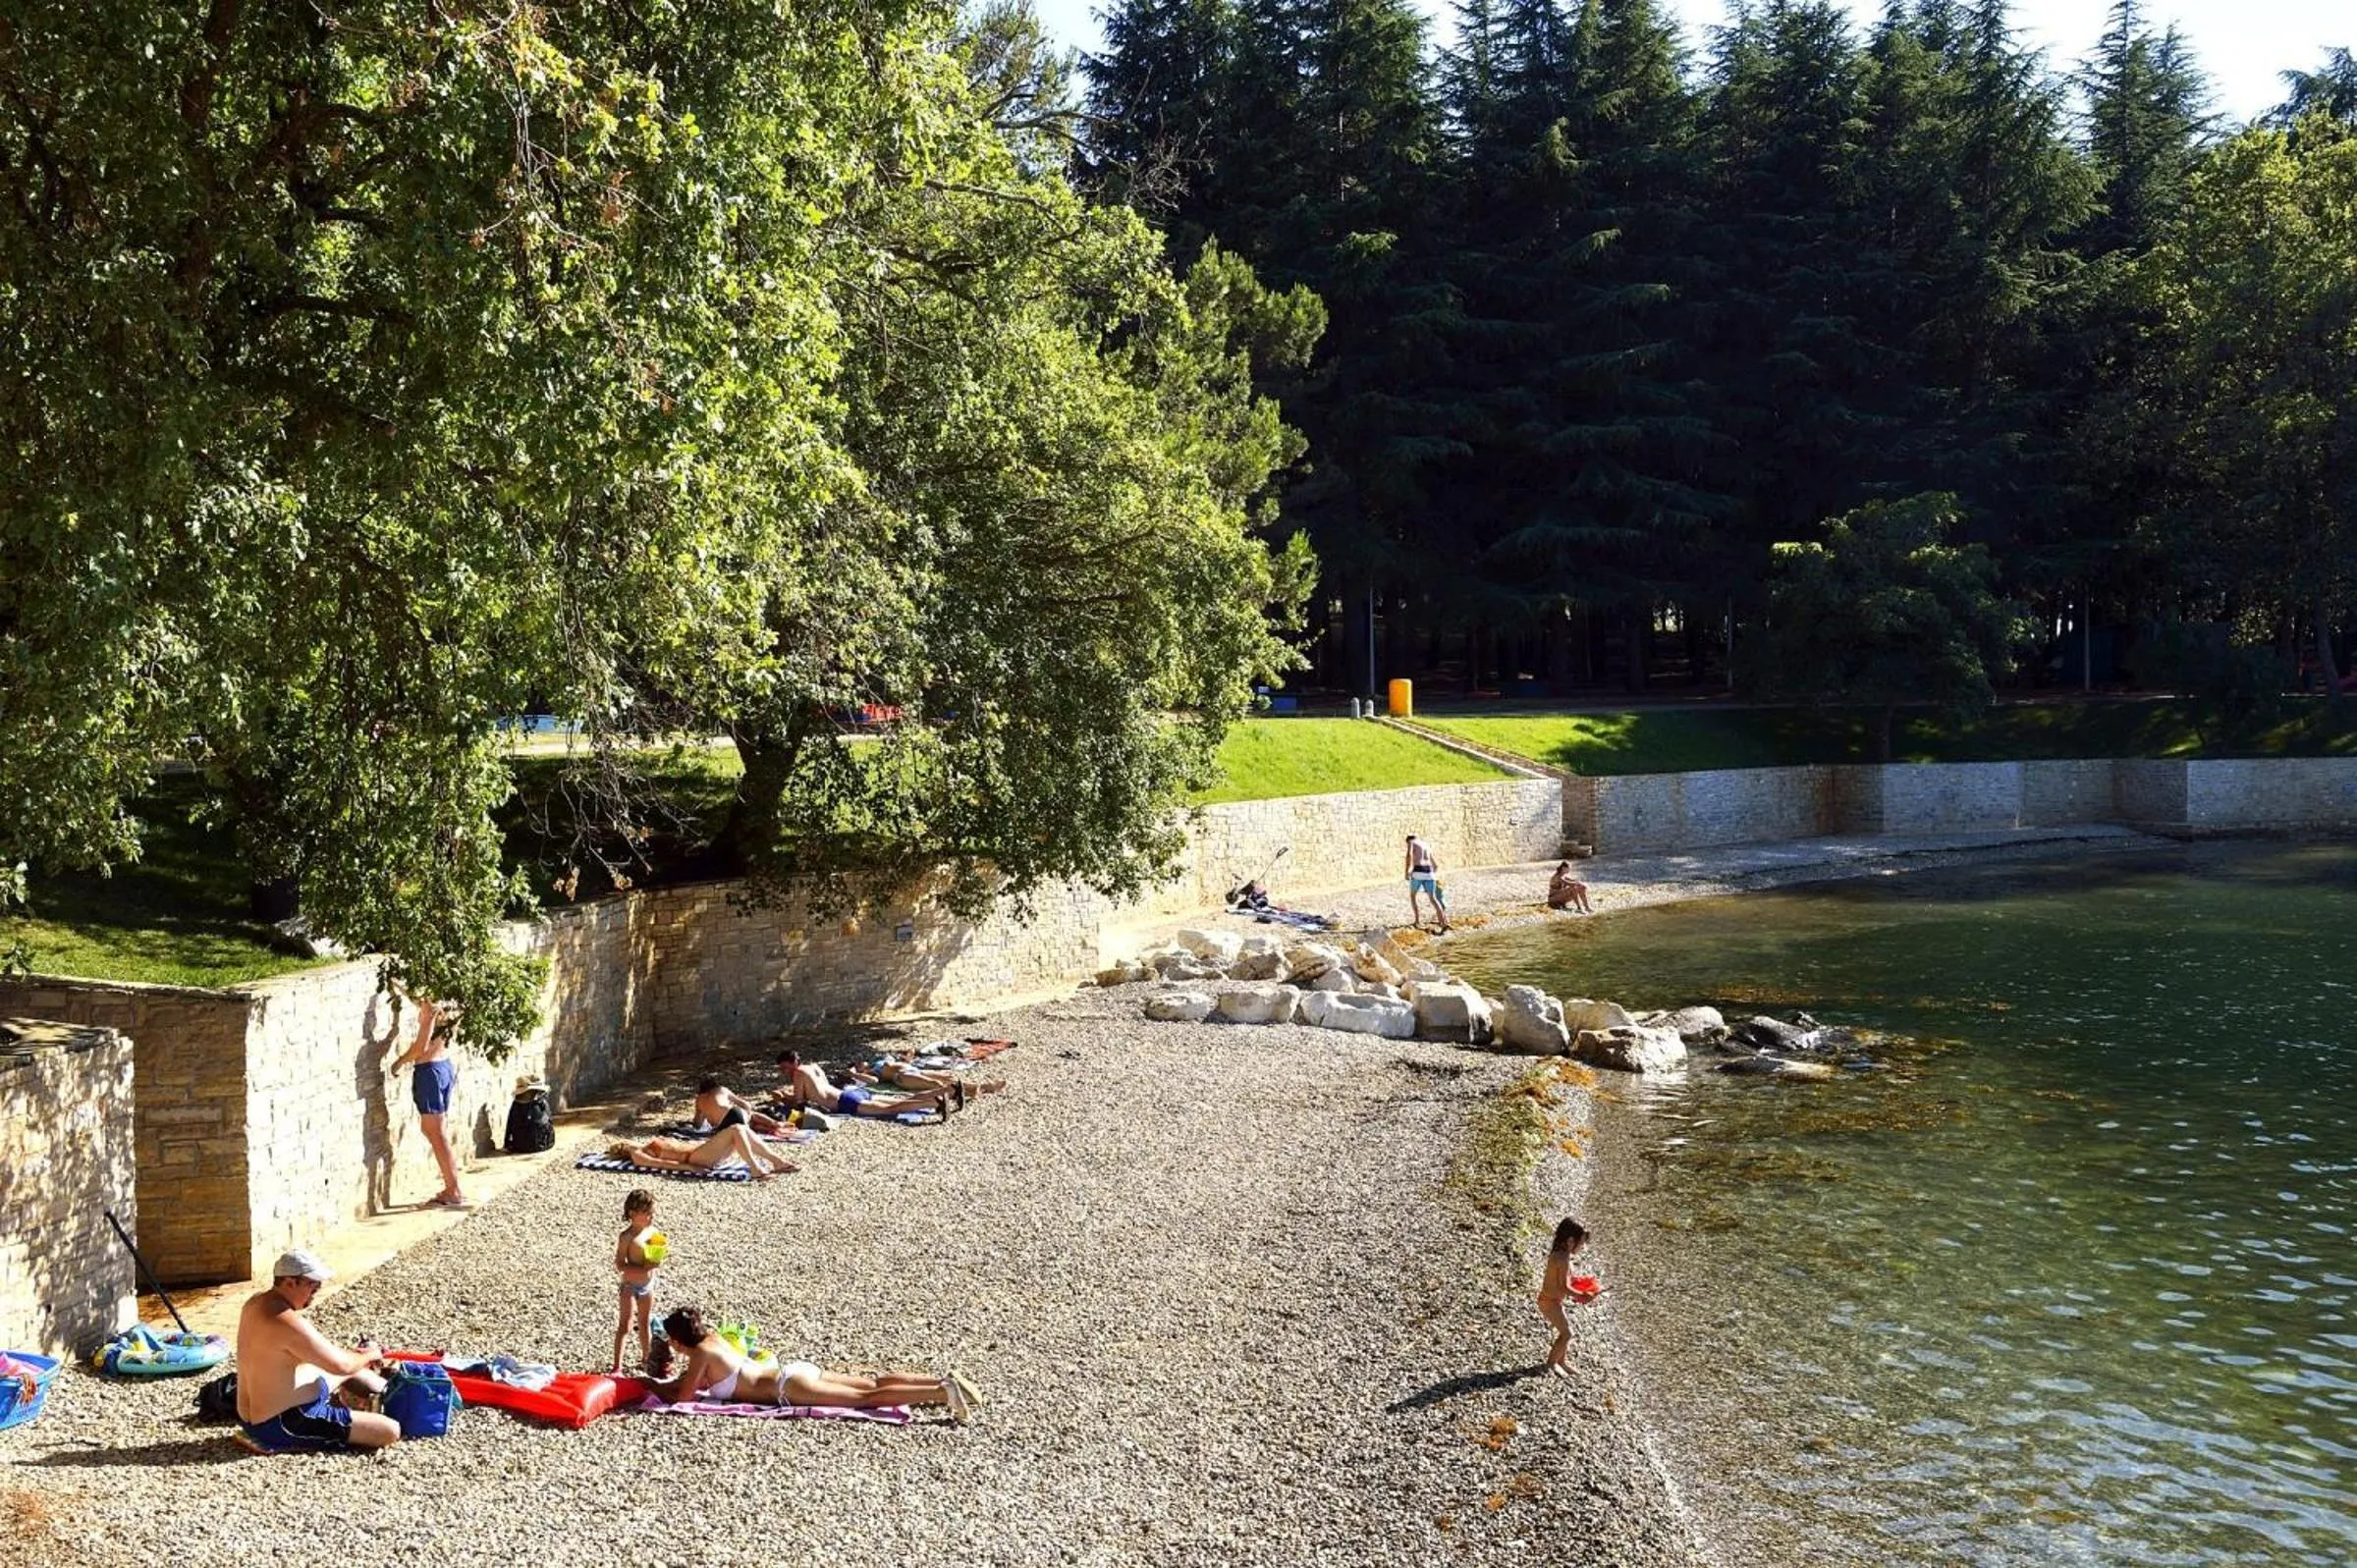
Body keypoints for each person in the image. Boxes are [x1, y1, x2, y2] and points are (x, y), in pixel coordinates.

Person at [650, 1305, 980, 1423]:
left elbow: (684, 1398)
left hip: (788, 1388)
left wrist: (649, 1385)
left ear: (680, 1341)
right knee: (873, 1383)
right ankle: (940, 1379)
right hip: (794, 1371)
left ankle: (942, 1392)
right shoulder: (714, 1338)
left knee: (866, 1401)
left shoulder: (700, 1355)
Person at [233, 1249, 401, 1453]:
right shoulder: (286, 1321)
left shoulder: (254, 1303)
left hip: (249, 1417)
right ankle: (388, 1402)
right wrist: (371, 1354)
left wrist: (357, 1358)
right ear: (289, 1282)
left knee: (342, 1366)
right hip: (281, 1425)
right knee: (390, 1430)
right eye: (312, 1285)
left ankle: (382, 1393)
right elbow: (342, 1366)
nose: (317, 1291)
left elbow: (326, 1358)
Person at [387, 993, 466, 1209]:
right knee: (436, 1130)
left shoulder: (431, 1007)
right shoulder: (448, 1003)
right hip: (443, 1067)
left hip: (429, 1071)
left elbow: (421, 1047)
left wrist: (399, 1062)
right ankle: (452, 1187)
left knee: (435, 1131)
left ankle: (453, 1190)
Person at [776, 1051, 962, 1120]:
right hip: (852, 1092)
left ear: (792, 1063)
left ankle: (935, 1102)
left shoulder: (799, 1073)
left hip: (845, 1101)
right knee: (902, 1099)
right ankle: (950, 1090)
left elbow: (800, 1103)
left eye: (785, 1068)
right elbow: (817, 1090)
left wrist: (784, 1098)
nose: (785, 1072)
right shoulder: (814, 1067)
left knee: (892, 1109)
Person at [606, 1123, 800, 1180]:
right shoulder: (638, 1155)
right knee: (736, 1129)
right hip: (695, 1158)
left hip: (700, 1151)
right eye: (622, 1146)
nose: (626, 1144)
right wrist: (689, 1167)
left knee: (742, 1129)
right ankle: (755, 1168)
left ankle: (777, 1161)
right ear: (623, 1151)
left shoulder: (644, 1146)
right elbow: (662, 1164)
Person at [612, 1189, 662, 1374]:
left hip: (647, 1286)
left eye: (652, 1213)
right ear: (633, 1214)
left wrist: (656, 1261)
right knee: (625, 1324)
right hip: (630, 1286)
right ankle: (617, 1365)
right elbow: (619, 1264)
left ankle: (646, 1358)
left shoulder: (653, 1233)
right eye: (647, 1213)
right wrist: (642, 1269)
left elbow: (656, 1259)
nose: (650, 1217)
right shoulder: (627, 1237)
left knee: (645, 1323)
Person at [1536, 1217, 1593, 1377]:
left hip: (1553, 1300)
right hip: (1549, 1302)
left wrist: (1580, 1284)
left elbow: (1563, 1280)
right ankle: (1551, 1363)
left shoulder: (1559, 1254)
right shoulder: (1563, 1259)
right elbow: (1563, 1287)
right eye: (1581, 1243)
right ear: (1570, 1241)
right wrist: (1582, 1295)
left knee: (1566, 1330)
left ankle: (1562, 1361)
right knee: (1567, 1334)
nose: (1582, 1247)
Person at [849, 1049, 1007, 1099]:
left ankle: (980, 1088)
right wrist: (853, 1074)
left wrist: (908, 1057)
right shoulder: (874, 1072)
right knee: (936, 1085)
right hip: (902, 1078)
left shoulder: (878, 1061)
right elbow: (873, 1082)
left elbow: (905, 1062)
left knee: (947, 1076)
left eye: (859, 1062)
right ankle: (978, 1089)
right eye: (858, 1065)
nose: (860, 1062)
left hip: (912, 1069)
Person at [693, 1076, 791, 1137]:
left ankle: (770, 1130)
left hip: (721, 1127)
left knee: (749, 1126)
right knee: (751, 1116)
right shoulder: (721, 1089)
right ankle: (775, 1124)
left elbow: (697, 1124)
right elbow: (745, 1104)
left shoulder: (699, 1100)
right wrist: (748, 1113)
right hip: (733, 1113)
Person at [1404, 834, 1452, 933]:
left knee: (1413, 896)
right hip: (1429, 872)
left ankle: (1417, 921)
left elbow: (1409, 856)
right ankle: (1443, 922)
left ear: (1408, 840)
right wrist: (1431, 875)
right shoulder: (1426, 844)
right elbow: (1436, 865)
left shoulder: (1411, 842)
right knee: (1433, 899)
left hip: (1418, 871)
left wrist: (1407, 872)